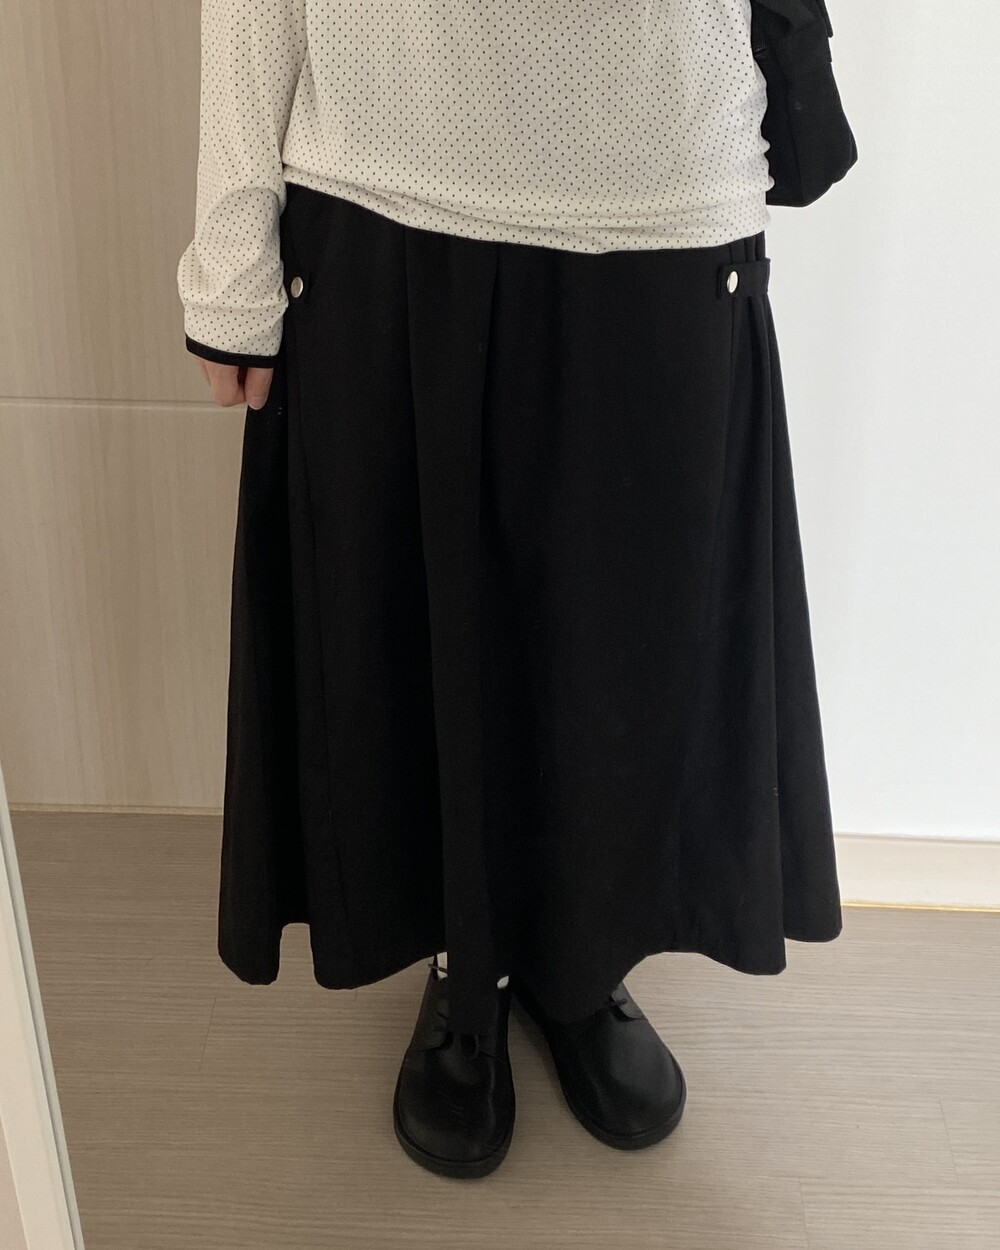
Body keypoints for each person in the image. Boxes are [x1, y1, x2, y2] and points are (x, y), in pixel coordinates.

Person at [177, 0, 843, 1181]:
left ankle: (579, 953)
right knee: (415, 640)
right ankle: (466, 958)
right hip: (394, 164)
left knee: (634, 654)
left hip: (665, 180)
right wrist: (231, 251)